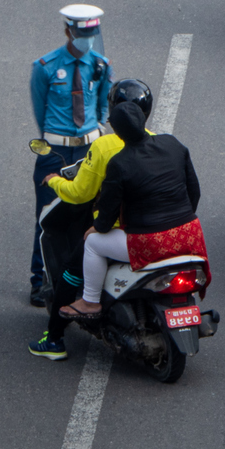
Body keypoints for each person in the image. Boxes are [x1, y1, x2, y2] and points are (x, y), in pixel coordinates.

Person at [27, 79, 153, 361]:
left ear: (113, 110)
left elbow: (80, 193)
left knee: (73, 268)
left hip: (122, 232)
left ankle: (55, 339)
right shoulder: (157, 141)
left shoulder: (107, 146)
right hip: (159, 231)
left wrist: (56, 182)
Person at [60, 100, 205, 319]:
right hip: (190, 235)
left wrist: (96, 228)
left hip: (151, 244)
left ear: (117, 133)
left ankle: (89, 301)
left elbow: (107, 214)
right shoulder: (173, 144)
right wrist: (179, 222)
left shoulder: (120, 163)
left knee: (92, 244)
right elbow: (194, 191)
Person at [28, 5, 113, 307]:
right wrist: (54, 138)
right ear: (68, 31)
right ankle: (39, 281)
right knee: (47, 216)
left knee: (89, 213)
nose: (87, 40)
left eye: (91, 34)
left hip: (89, 148)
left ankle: (80, 281)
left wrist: (95, 132)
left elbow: (104, 104)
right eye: (81, 34)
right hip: (57, 149)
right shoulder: (46, 67)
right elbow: (41, 110)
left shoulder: (101, 65)